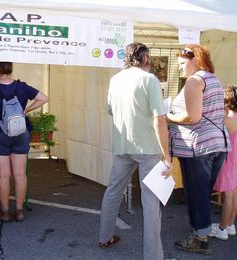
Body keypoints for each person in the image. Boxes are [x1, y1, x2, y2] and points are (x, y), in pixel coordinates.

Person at [99, 42, 172, 260]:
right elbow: (159, 120)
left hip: (122, 145)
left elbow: (111, 110)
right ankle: (153, 256)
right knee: (150, 202)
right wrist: (167, 157)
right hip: (147, 147)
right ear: (145, 58)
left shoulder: (116, 79)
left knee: (113, 191)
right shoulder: (150, 80)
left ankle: (105, 237)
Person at [166, 44, 230, 255]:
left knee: (196, 193)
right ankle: (200, 228)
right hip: (217, 144)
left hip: (197, 147)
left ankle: (200, 238)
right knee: (202, 192)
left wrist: (167, 116)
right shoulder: (213, 78)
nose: (181, 68)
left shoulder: (195, 81)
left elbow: (193, 117)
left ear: (195, 60)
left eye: (183, 64)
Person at [0, 62, 48, 222]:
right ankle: (19, 210)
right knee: (20, 174)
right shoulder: (22, 86)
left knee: (3, 175)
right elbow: (43, 98)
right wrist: (25, 110)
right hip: (20, 131)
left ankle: (5, 211)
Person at [208, 84, 237, 240]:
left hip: (228, 160)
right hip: (235, 160)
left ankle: (222, 229)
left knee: (228, 196)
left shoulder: (227, 119)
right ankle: (230, 225)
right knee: (234, 193)